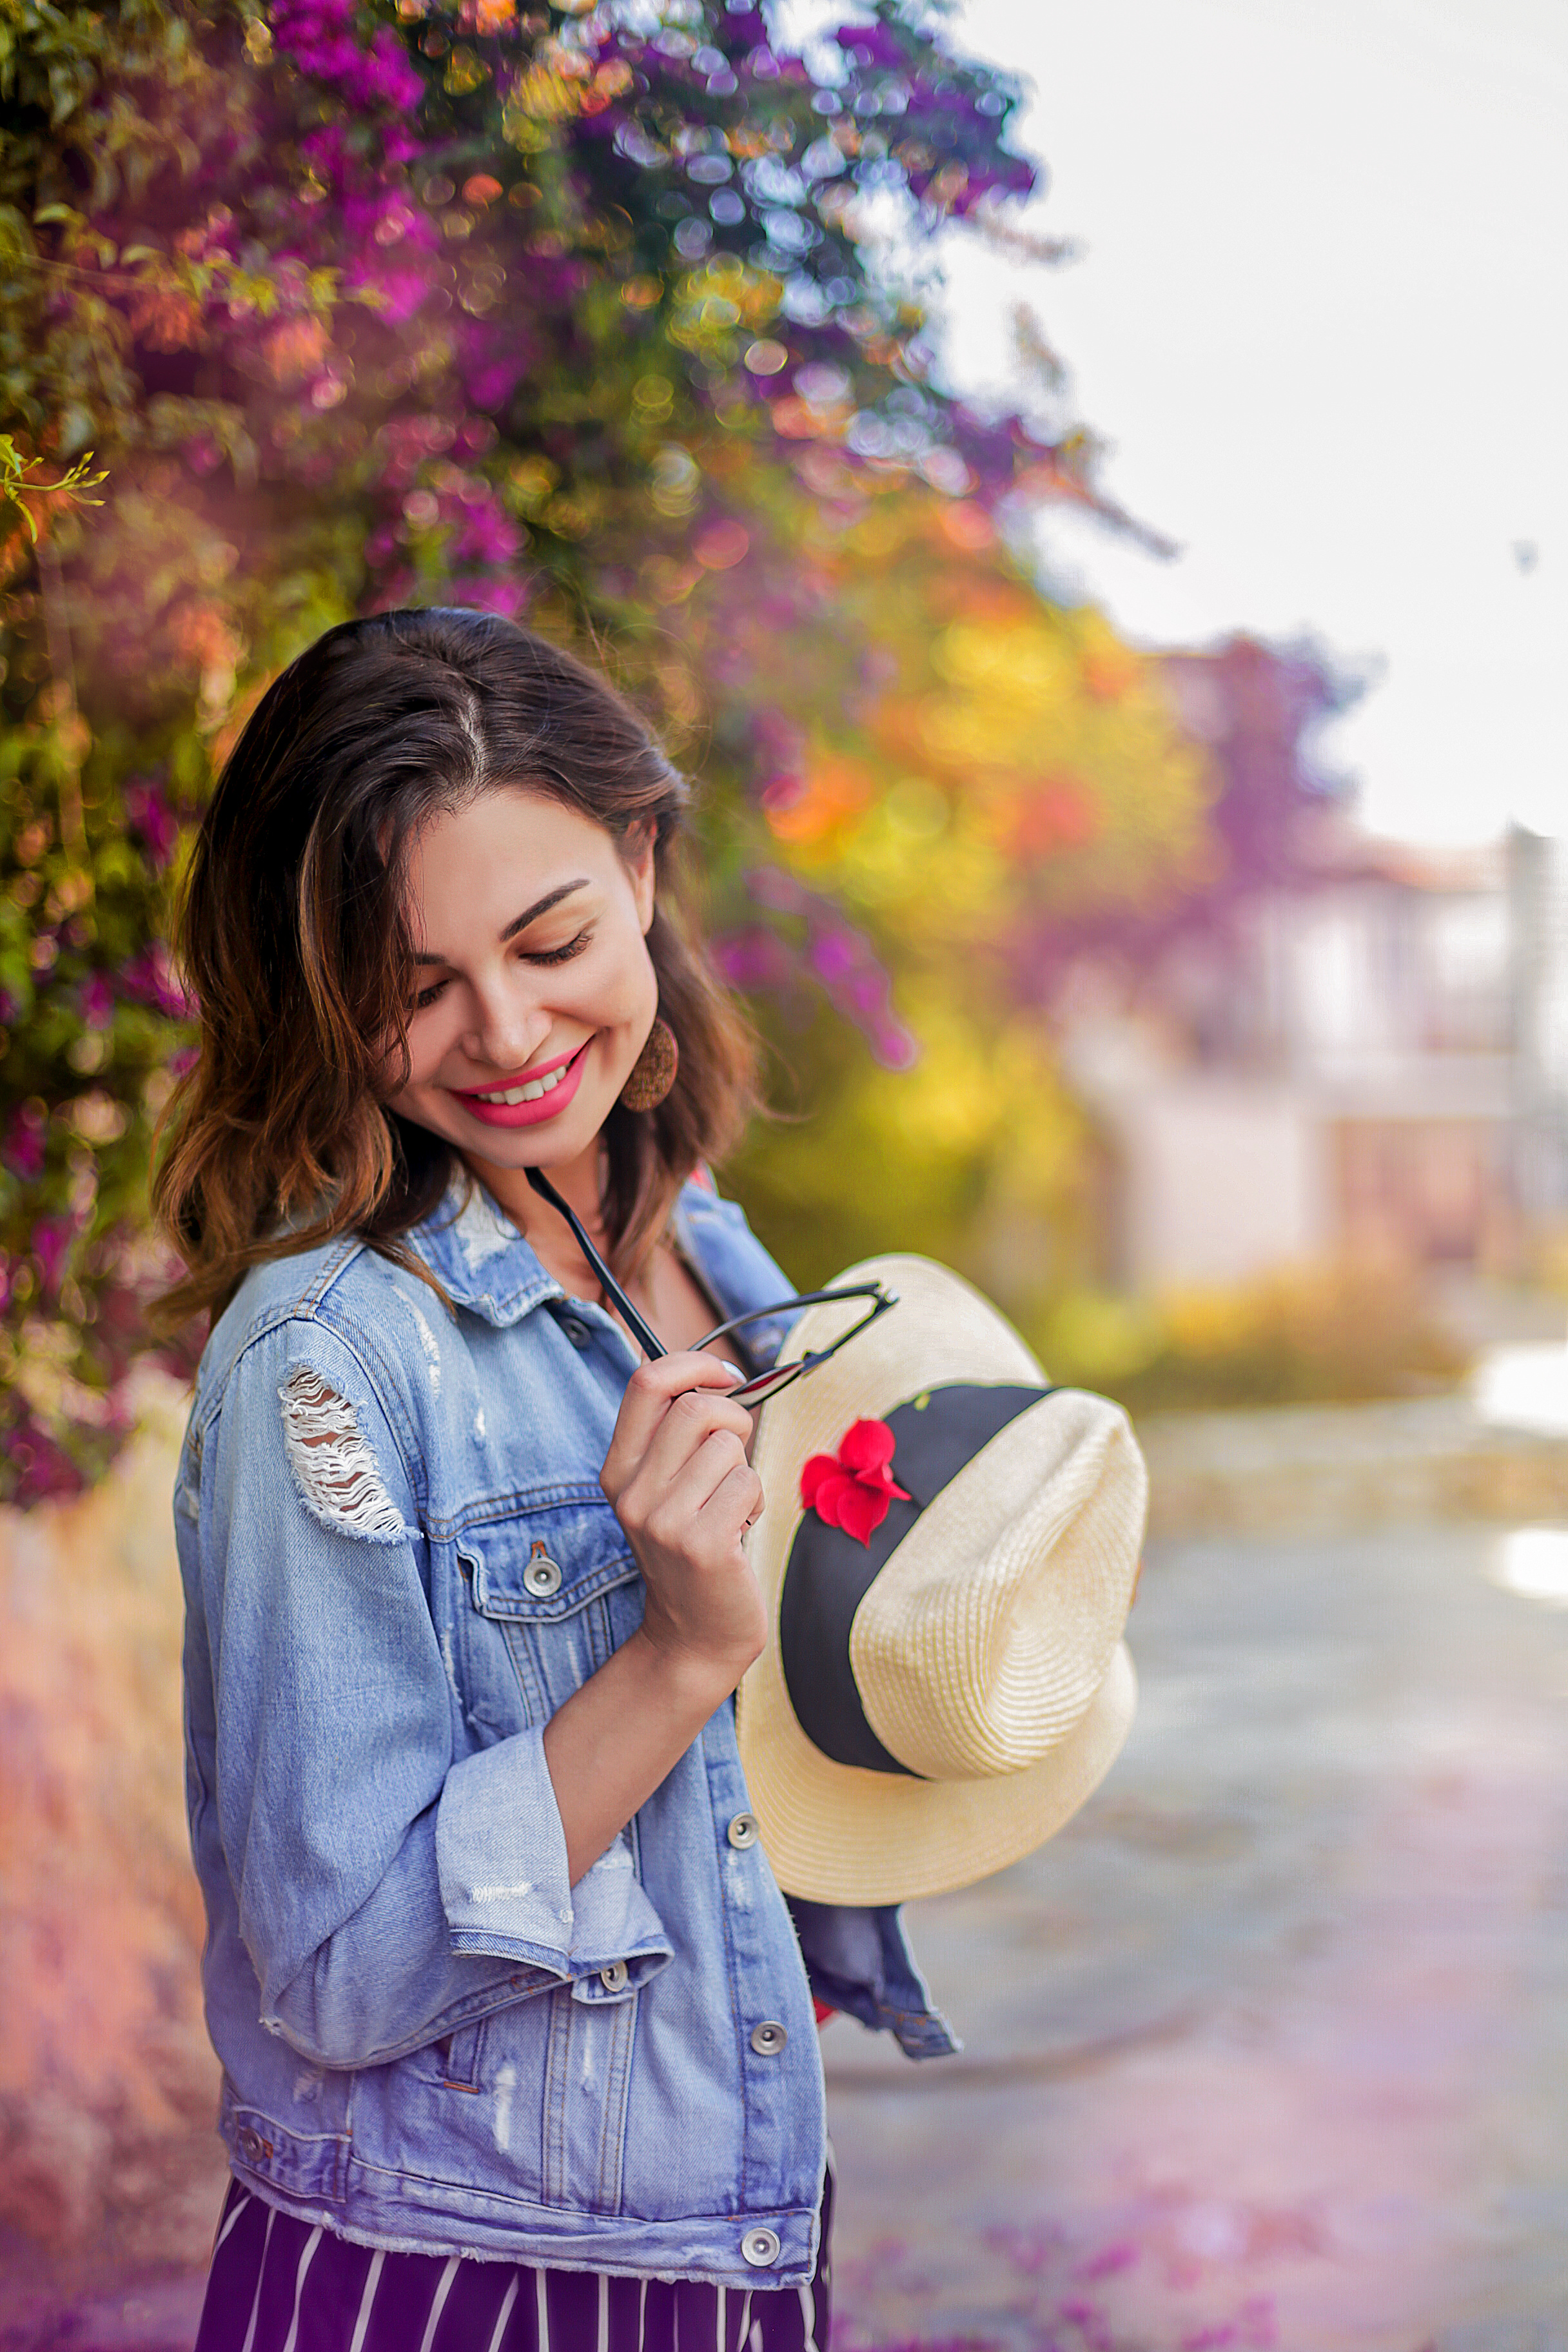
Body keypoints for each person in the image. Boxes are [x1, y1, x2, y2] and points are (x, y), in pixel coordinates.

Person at [156, 607, 951, 2352]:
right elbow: (344, 1966)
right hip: (461, 2284)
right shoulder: (330, 1360)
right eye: (412, 985)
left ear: (643, 857)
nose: (503, 1031)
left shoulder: (701, 1242)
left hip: (729, 2246)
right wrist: (672, 1655)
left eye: (549, 939)